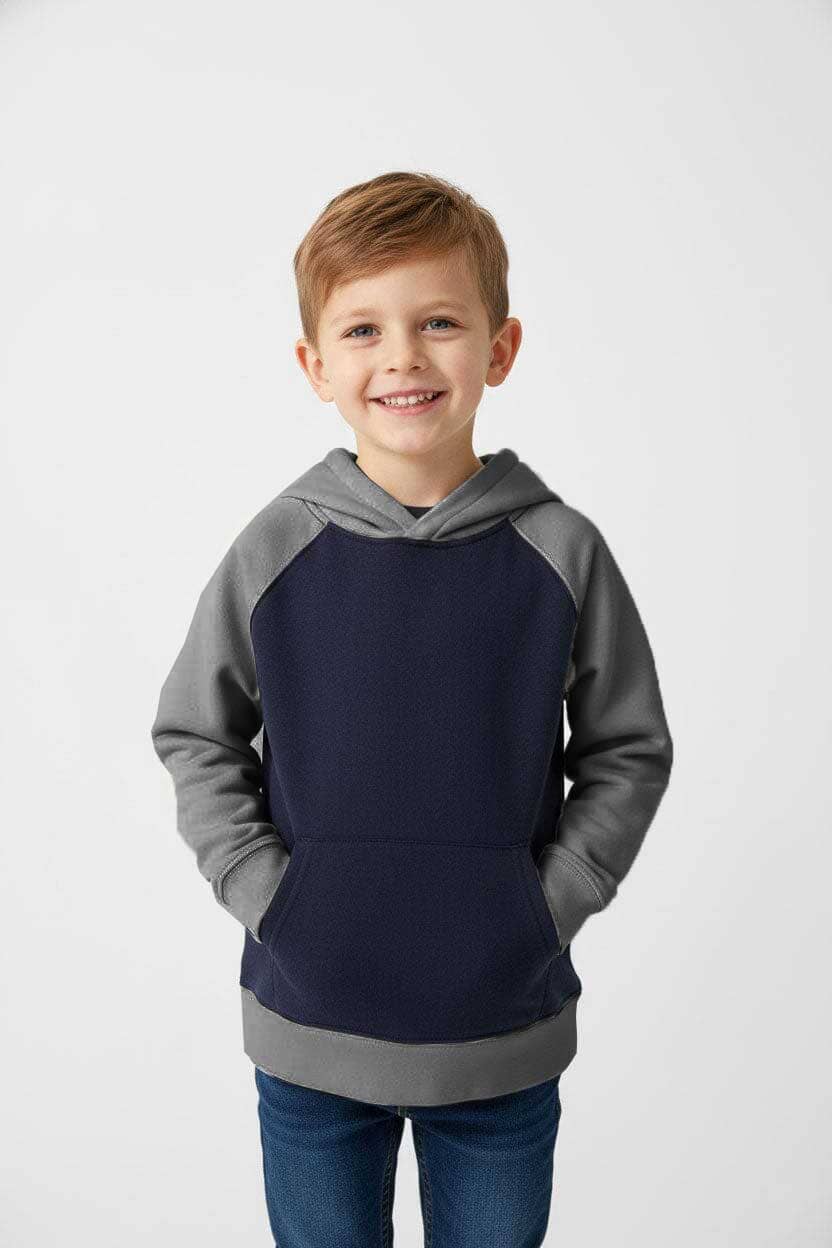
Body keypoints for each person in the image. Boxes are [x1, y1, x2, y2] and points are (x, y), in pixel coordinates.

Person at [150, 169, 673, 1247]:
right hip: (308, 1028)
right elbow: (196, 732)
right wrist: (270, 898)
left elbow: (627, 749)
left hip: (500, 1035)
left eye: (439, 322)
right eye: (363, 330)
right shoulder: (275, 546)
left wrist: (547, 908)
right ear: (315, 365)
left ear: (500, 348)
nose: (402, 357)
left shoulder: (560, 550)